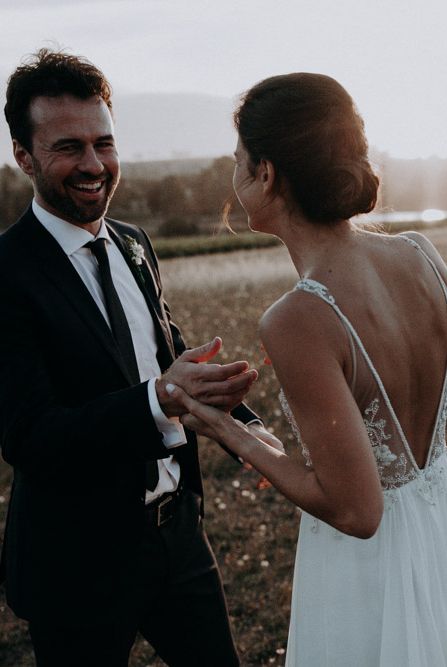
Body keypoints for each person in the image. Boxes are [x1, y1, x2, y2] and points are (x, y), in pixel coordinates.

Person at [167, 72, 447, 666]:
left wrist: (227, 430)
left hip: (368, 572)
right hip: (439, 528)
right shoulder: (423, 256)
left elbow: (358, 511)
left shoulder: (298, 317)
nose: (233, 176)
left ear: (267, 173)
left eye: (237, 160)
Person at [0, 49, 280, 666]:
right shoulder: (6, 274)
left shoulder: (134, 244)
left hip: (178, 537)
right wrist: (160, 399)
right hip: (76, 563)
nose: (95, 164)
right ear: (23, 156)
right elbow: (31, 436)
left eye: (104, 142)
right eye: (68, 147)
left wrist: (248, 432)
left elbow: (167, 350)